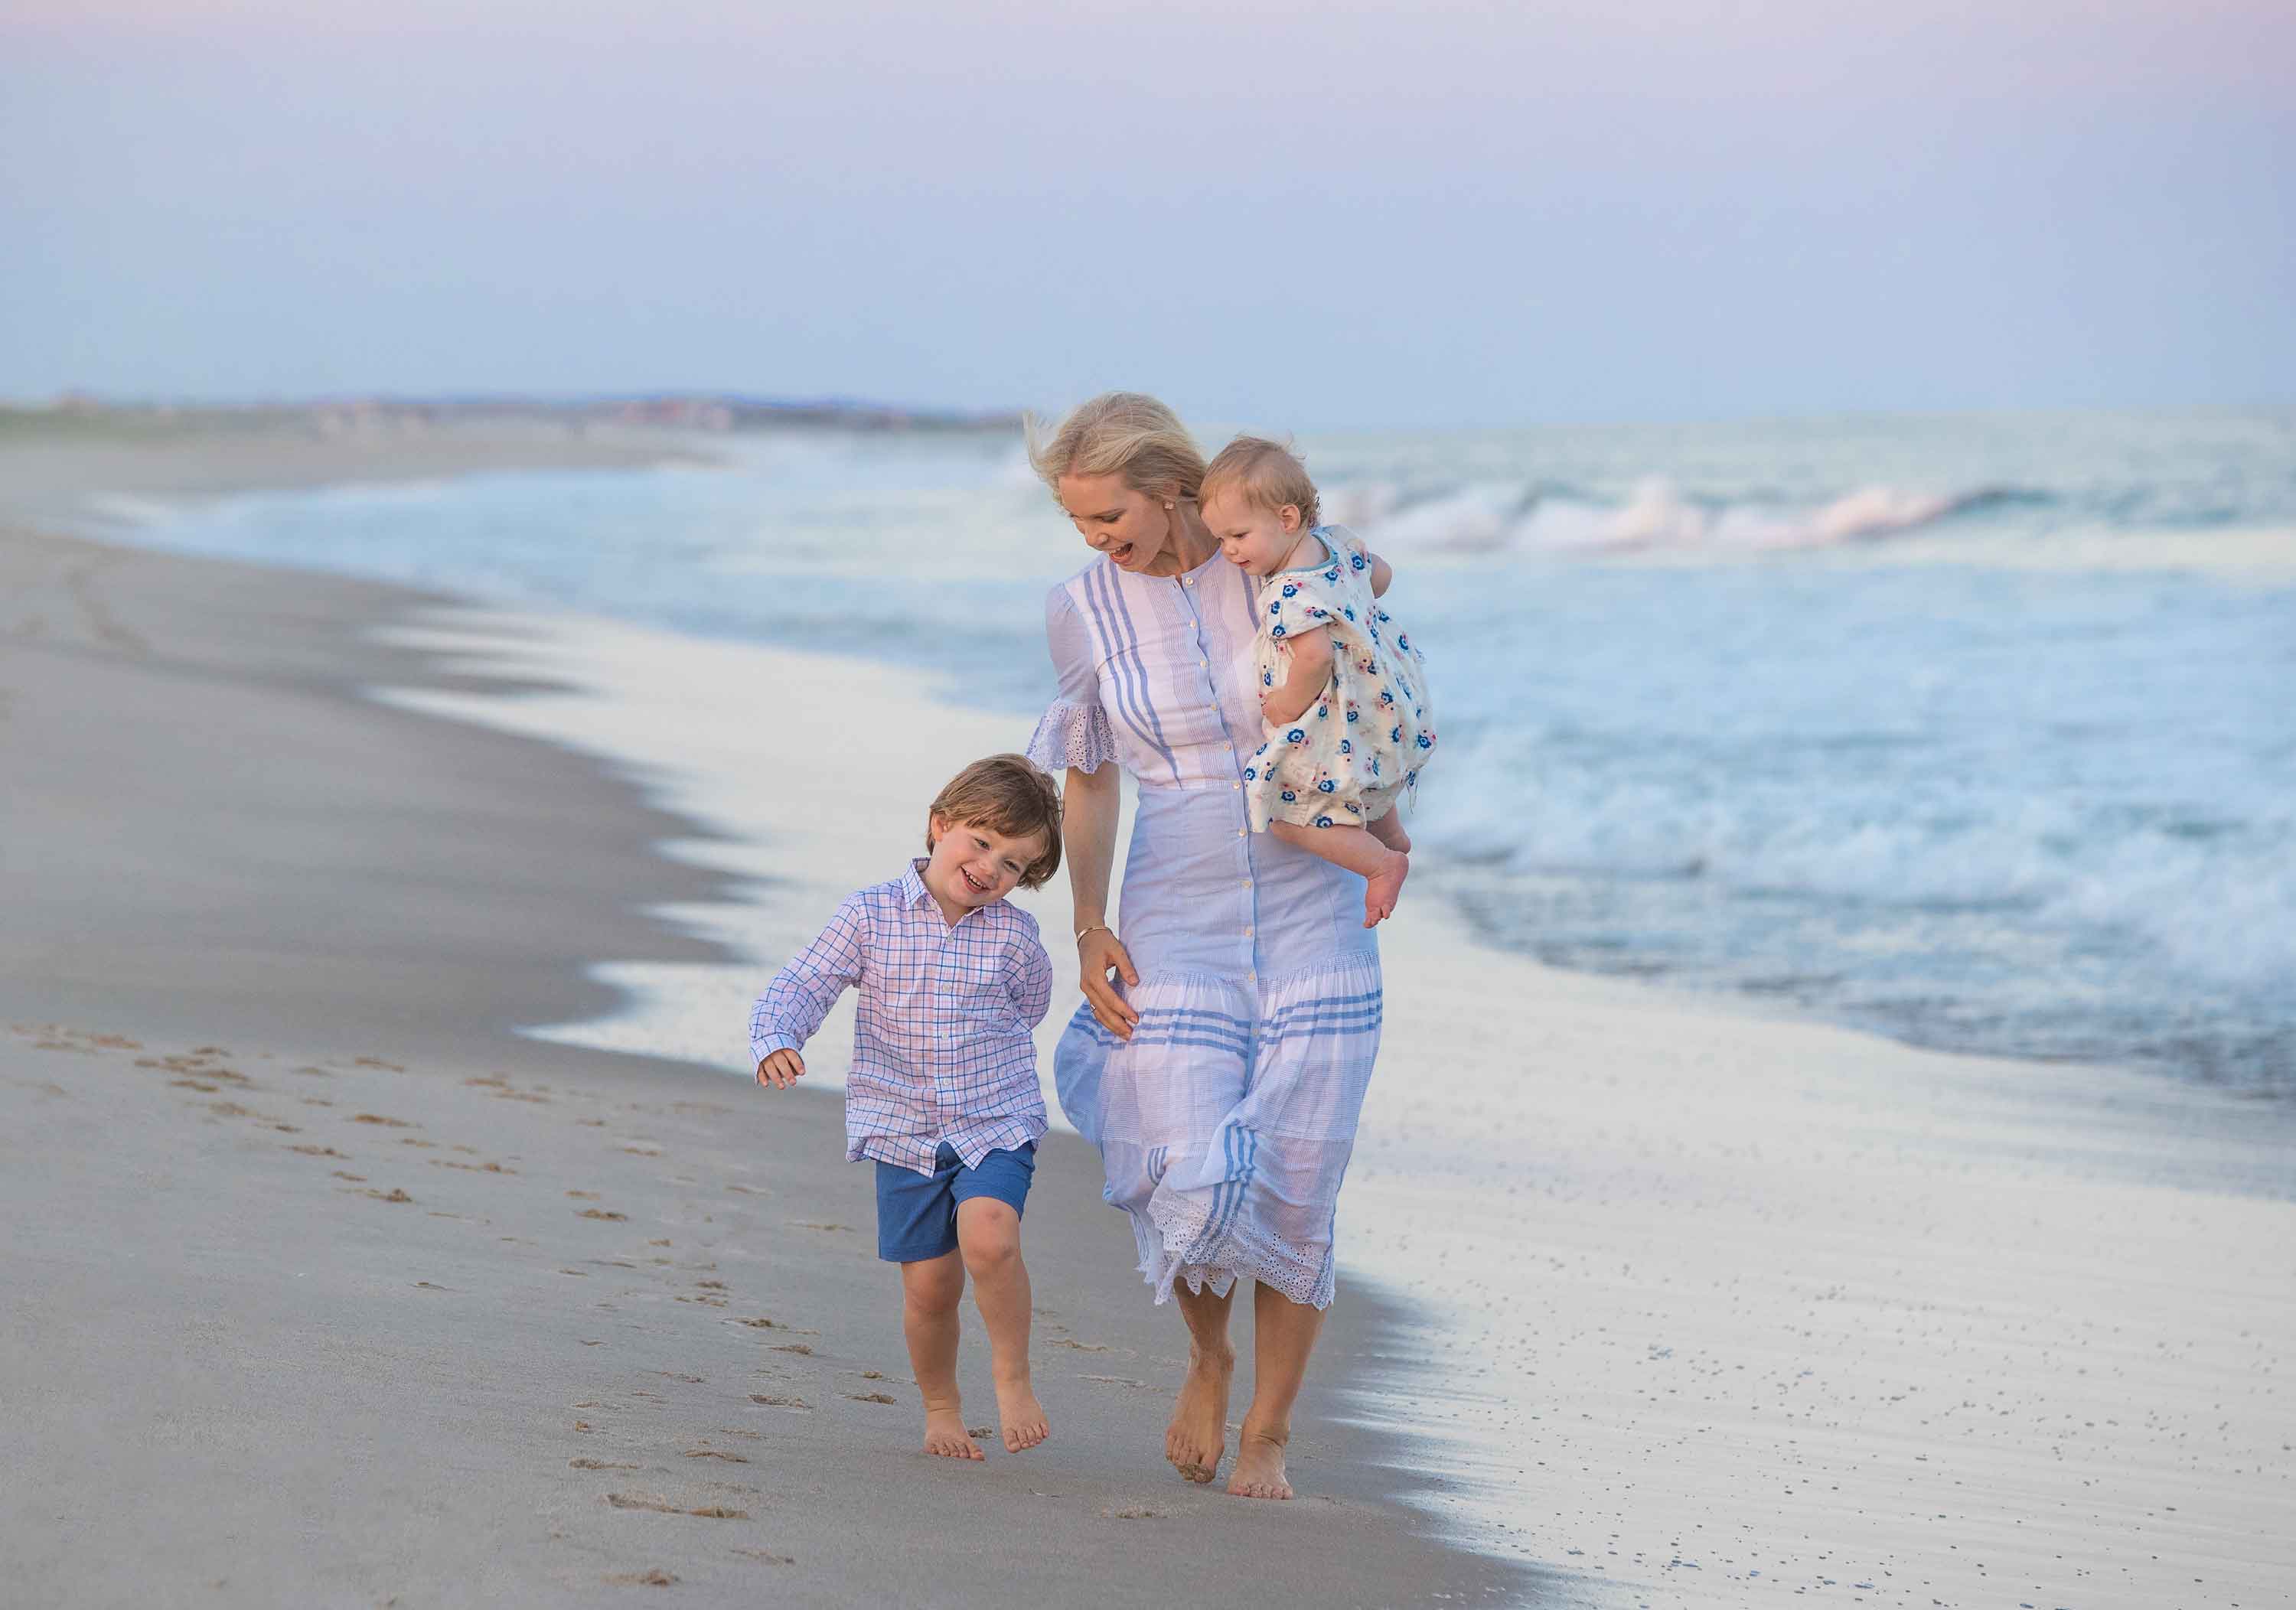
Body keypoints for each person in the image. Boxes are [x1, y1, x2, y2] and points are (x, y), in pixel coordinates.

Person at [1025, 392, 1387, 1502]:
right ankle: (1207, 1355)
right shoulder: (1082, 608)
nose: (1097, 539)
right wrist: (1089, 926)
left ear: (1173, 487)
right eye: (1079, 522)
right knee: (1180, 1146)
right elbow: (1089, 777)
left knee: (1296, 1173)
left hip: (1312, 894)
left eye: (1108, 514)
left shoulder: (1269, 563)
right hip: (1170, 900)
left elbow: (1373, 596)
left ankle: (1269, 1435)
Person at [747, 754, 1062, 1461]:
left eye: (1013, 866)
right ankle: (942, 1406)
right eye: (981, 844)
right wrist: (777, 1038)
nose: (990, 869)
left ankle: (1012, 1378)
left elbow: (1032, 1006)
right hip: (902, 1129)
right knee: (930, 1288)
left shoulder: (1014, 938)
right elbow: (806, 982)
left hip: (993, 1120)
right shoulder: (870, 914)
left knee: (989, 1237)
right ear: (940, 825)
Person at [1199, 435, 1434, 927]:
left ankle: (1381, 862)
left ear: (1286, 520)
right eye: (1220, 539)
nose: (1227, 552)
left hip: (1333, 709)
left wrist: (1285, 705)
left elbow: (1314, 658)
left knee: (1289, 813)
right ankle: (1390, 834)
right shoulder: (1336, 544)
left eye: (1238, 537)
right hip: (1381, 696)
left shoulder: (1287, 593)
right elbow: (1382, 576)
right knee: (1365, 766)